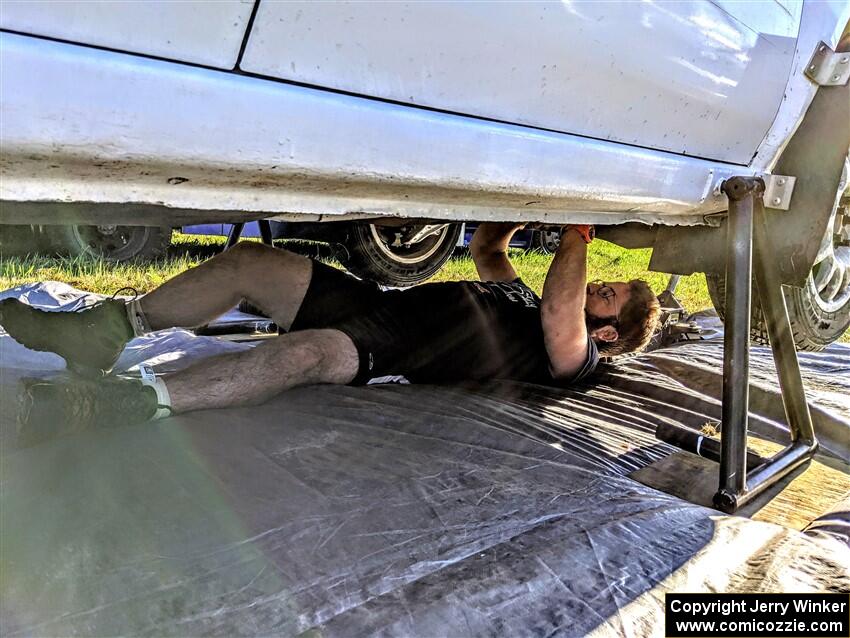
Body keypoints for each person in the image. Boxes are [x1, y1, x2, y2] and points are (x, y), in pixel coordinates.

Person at [0, 223, 660, 446]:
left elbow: (558, 312)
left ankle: (126, 401)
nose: (595, 285)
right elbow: (490, 244)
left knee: (304, 354)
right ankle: (107, 330)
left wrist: (581, 231)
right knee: (252, 265)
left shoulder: (576, 360)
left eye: (608, 293)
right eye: (601, 280)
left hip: (395, 351)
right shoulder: (517, 289)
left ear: (607, 333)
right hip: (378, 303)